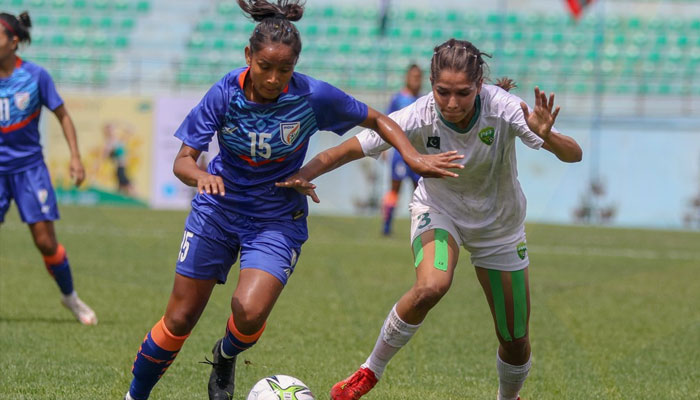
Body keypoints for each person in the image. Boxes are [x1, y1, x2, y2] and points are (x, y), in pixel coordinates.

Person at [123, 2, 461, 400]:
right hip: (217, 212)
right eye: (265, 66)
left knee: (248, 313)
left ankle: (226, 353)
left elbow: (379, 120)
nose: (273, 78)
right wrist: (202, 176)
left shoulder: (311, 95)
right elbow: (183, 161)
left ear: (295, 66)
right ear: (249, 56)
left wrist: (412, 156)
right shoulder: (224, 93)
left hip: (276, 217)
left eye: (284, 70)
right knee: (179, 319)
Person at [277, 38, 582, 400]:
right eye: (443, 92)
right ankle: (369, 371)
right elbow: (349, 149)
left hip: (499, 226)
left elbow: (573, 155)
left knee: (514, 338)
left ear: (479, 85)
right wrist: (304, 173)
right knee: (432, 285)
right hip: (439, 211)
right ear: (432, 86)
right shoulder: (418, 114)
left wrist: (548, 137)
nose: (451, 103)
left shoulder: (503, 109)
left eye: (462, 93)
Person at [0, 11, 97, 325]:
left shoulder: (35, 76)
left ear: (14, 41)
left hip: (29, 169)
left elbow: (63, 115)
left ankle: (70, 297)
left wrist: (76, 157)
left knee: (45, 242)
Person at [381, 64, 423, 236]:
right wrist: (384, 148)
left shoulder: (423, 100)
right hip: (399, 153)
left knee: (419, 192)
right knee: (394, 189)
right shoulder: (398, 99)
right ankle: (387, 227)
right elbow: (385, 122)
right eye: (413, 77)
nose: (416, 80)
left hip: (418, 152)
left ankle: (420, 227)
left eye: (418, 77)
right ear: (407, 78)